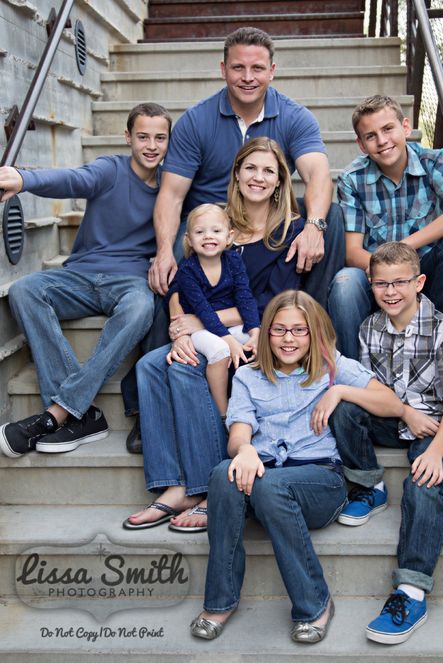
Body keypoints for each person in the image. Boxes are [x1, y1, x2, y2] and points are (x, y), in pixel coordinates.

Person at [121, 27, 345, 441]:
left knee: (333, 221)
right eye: (238, 67)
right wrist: (165, 252)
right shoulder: (197, 120)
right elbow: (171, 195)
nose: (247, 76)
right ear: (223, 69)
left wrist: (314, 226)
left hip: (266, 225)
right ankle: (144, 403)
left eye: (257, 68)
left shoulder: (294, 116)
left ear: (272, 71)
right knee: (163, 268)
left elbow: (317, 174)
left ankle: (310, 341)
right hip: (210, 226)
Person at [189, 290, 404, 643]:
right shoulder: (248, 377)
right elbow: (238, 432)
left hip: (319, 481)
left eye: (299, 330)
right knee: (222, 475)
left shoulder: (331, 366)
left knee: (272, 485)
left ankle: (315, 604)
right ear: (267, 333)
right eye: (279, 330)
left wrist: (339, 392)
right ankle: (220, 601)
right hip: (263, 478)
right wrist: (243, 450)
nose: (289, 339)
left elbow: (391, 402)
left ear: (314, 332)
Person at [123, 137, 305, 532]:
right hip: (203, 328)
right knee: (150, 366)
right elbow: (181, 283)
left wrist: (200, 324)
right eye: (250, 168)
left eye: (268, 171)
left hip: (255, 336)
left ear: (280, 181)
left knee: (183, 370)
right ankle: (172, 484)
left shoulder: (290, 231)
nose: (258, 177)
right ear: (237, 174)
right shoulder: (217, 225)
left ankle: (207, 486)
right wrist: (178, 324)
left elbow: (272, 302)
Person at [0, 103, 172, 457]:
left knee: (142, 307)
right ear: (128, 137)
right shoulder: (110, 169)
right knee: (24, 290)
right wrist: (24, 178)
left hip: (129, 280)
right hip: (79, 275)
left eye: (160, 137)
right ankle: (82, 413)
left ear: (169, 141)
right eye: (142, 137)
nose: (151, 146)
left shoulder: (172, 188)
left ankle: (59, 412)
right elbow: (73, 180)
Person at [330, 242, 443, 644]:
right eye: (380, 284)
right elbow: (371, 389)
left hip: (439, 424)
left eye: (400, 283)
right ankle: (369, 485)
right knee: (344, 405)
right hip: (394, 416)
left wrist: (435, 451)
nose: (390, 292)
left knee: (423, 483)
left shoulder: (442, 329)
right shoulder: (369, 328)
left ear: (420, 282)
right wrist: (347, 395)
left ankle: (411, 590)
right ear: (371, 286)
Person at [328, 94, 443, 359]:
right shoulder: (352, 179)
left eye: (388, 129)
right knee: (345, 283)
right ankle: (355, 375)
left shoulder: (434, 163)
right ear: (361, 145)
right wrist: (389, 274)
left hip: (425, 272)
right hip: (377, 277)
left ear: (405, 127)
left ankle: (431, 344)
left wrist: (403, 249)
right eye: (370, 136)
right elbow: (352, 251)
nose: (382, 141)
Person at [169, 203, 260, 415]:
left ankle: (257, 404)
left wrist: (255, 331)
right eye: (200, 232)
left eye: (216, 231)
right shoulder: (188, 270)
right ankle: (223, 411)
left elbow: (245, 296)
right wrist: (229, 340)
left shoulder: (234, 260)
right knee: (220, 352)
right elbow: (203, 311)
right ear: (189, 240)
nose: (208, 236)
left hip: (226, 325)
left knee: (262, 342)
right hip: (199, 327)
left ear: (229, 237)